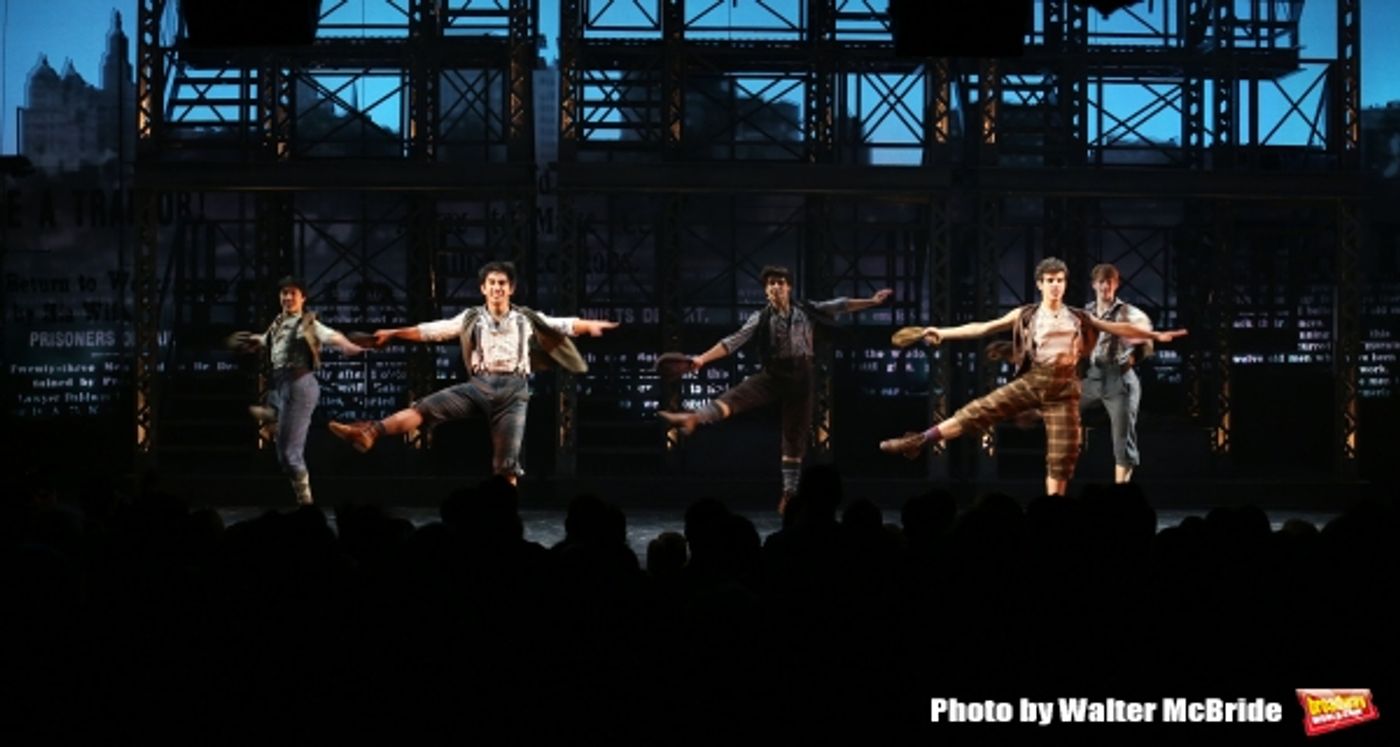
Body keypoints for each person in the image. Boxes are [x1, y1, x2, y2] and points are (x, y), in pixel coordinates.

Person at [878, 257, 1186, 496]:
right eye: (1050, 280)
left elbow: (1118, 329)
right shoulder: (1026, 313)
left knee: (1064, 455)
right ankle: (919, 439)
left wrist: (1153, 334)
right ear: (1039, 283)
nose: (1056, 286)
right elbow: (983, 327)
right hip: (1034, 380)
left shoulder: (1078, 315)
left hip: (1065, 388)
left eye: (1060, 280)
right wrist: (941, 333)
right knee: (980, 410)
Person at [326, 261, 618, 485]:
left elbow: (563, 324)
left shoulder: (525, 318)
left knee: (506, 465)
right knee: (423, 409)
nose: (497, 288)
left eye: (502, 283)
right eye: (491, 283)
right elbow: (431, 331)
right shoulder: (470, 318)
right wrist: (393, 333)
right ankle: (369, 434)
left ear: (511, 289)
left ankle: (505, 523)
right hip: (478, 386)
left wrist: (589, 325)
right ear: (483, 288)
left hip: (514, 392)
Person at [658, 265, 892, 514]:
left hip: (802, 378)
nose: (776, 287)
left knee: (794, 437)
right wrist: (702, 359)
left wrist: (871, 301)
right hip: (773, 375)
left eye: (780, 282)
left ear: (789, 287)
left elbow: (840, 305)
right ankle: (695, 418)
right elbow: (732, 341)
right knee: (736, 397)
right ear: (766, 291)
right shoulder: (760, 318)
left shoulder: (806, 310)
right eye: (771, 284)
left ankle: (789, 494)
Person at [241, 275, 367, 505]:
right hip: (282, 385)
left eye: (293, 293)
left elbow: (328, 334)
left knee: (291, 454)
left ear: (303, 298)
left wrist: (346, 344)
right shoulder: (278, 322)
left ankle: (306, 505)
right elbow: (267, 340)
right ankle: (276, 413)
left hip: (301, 385)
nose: (287, 297)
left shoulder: (306, 322)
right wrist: (253, 341)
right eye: (284, 293)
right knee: (282, 456)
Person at [1080, 263, 1154, 484]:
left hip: (1119, 378)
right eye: (1101, 282)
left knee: (1122, 439)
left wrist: (1132, 359)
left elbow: (1147, 340)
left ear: (1116, 284)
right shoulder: (1087, 311)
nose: (1105, 286)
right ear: (1094, 284)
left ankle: (1120, 495)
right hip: (1093, 376)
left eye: (1109, 282)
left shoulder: (1128, 312)